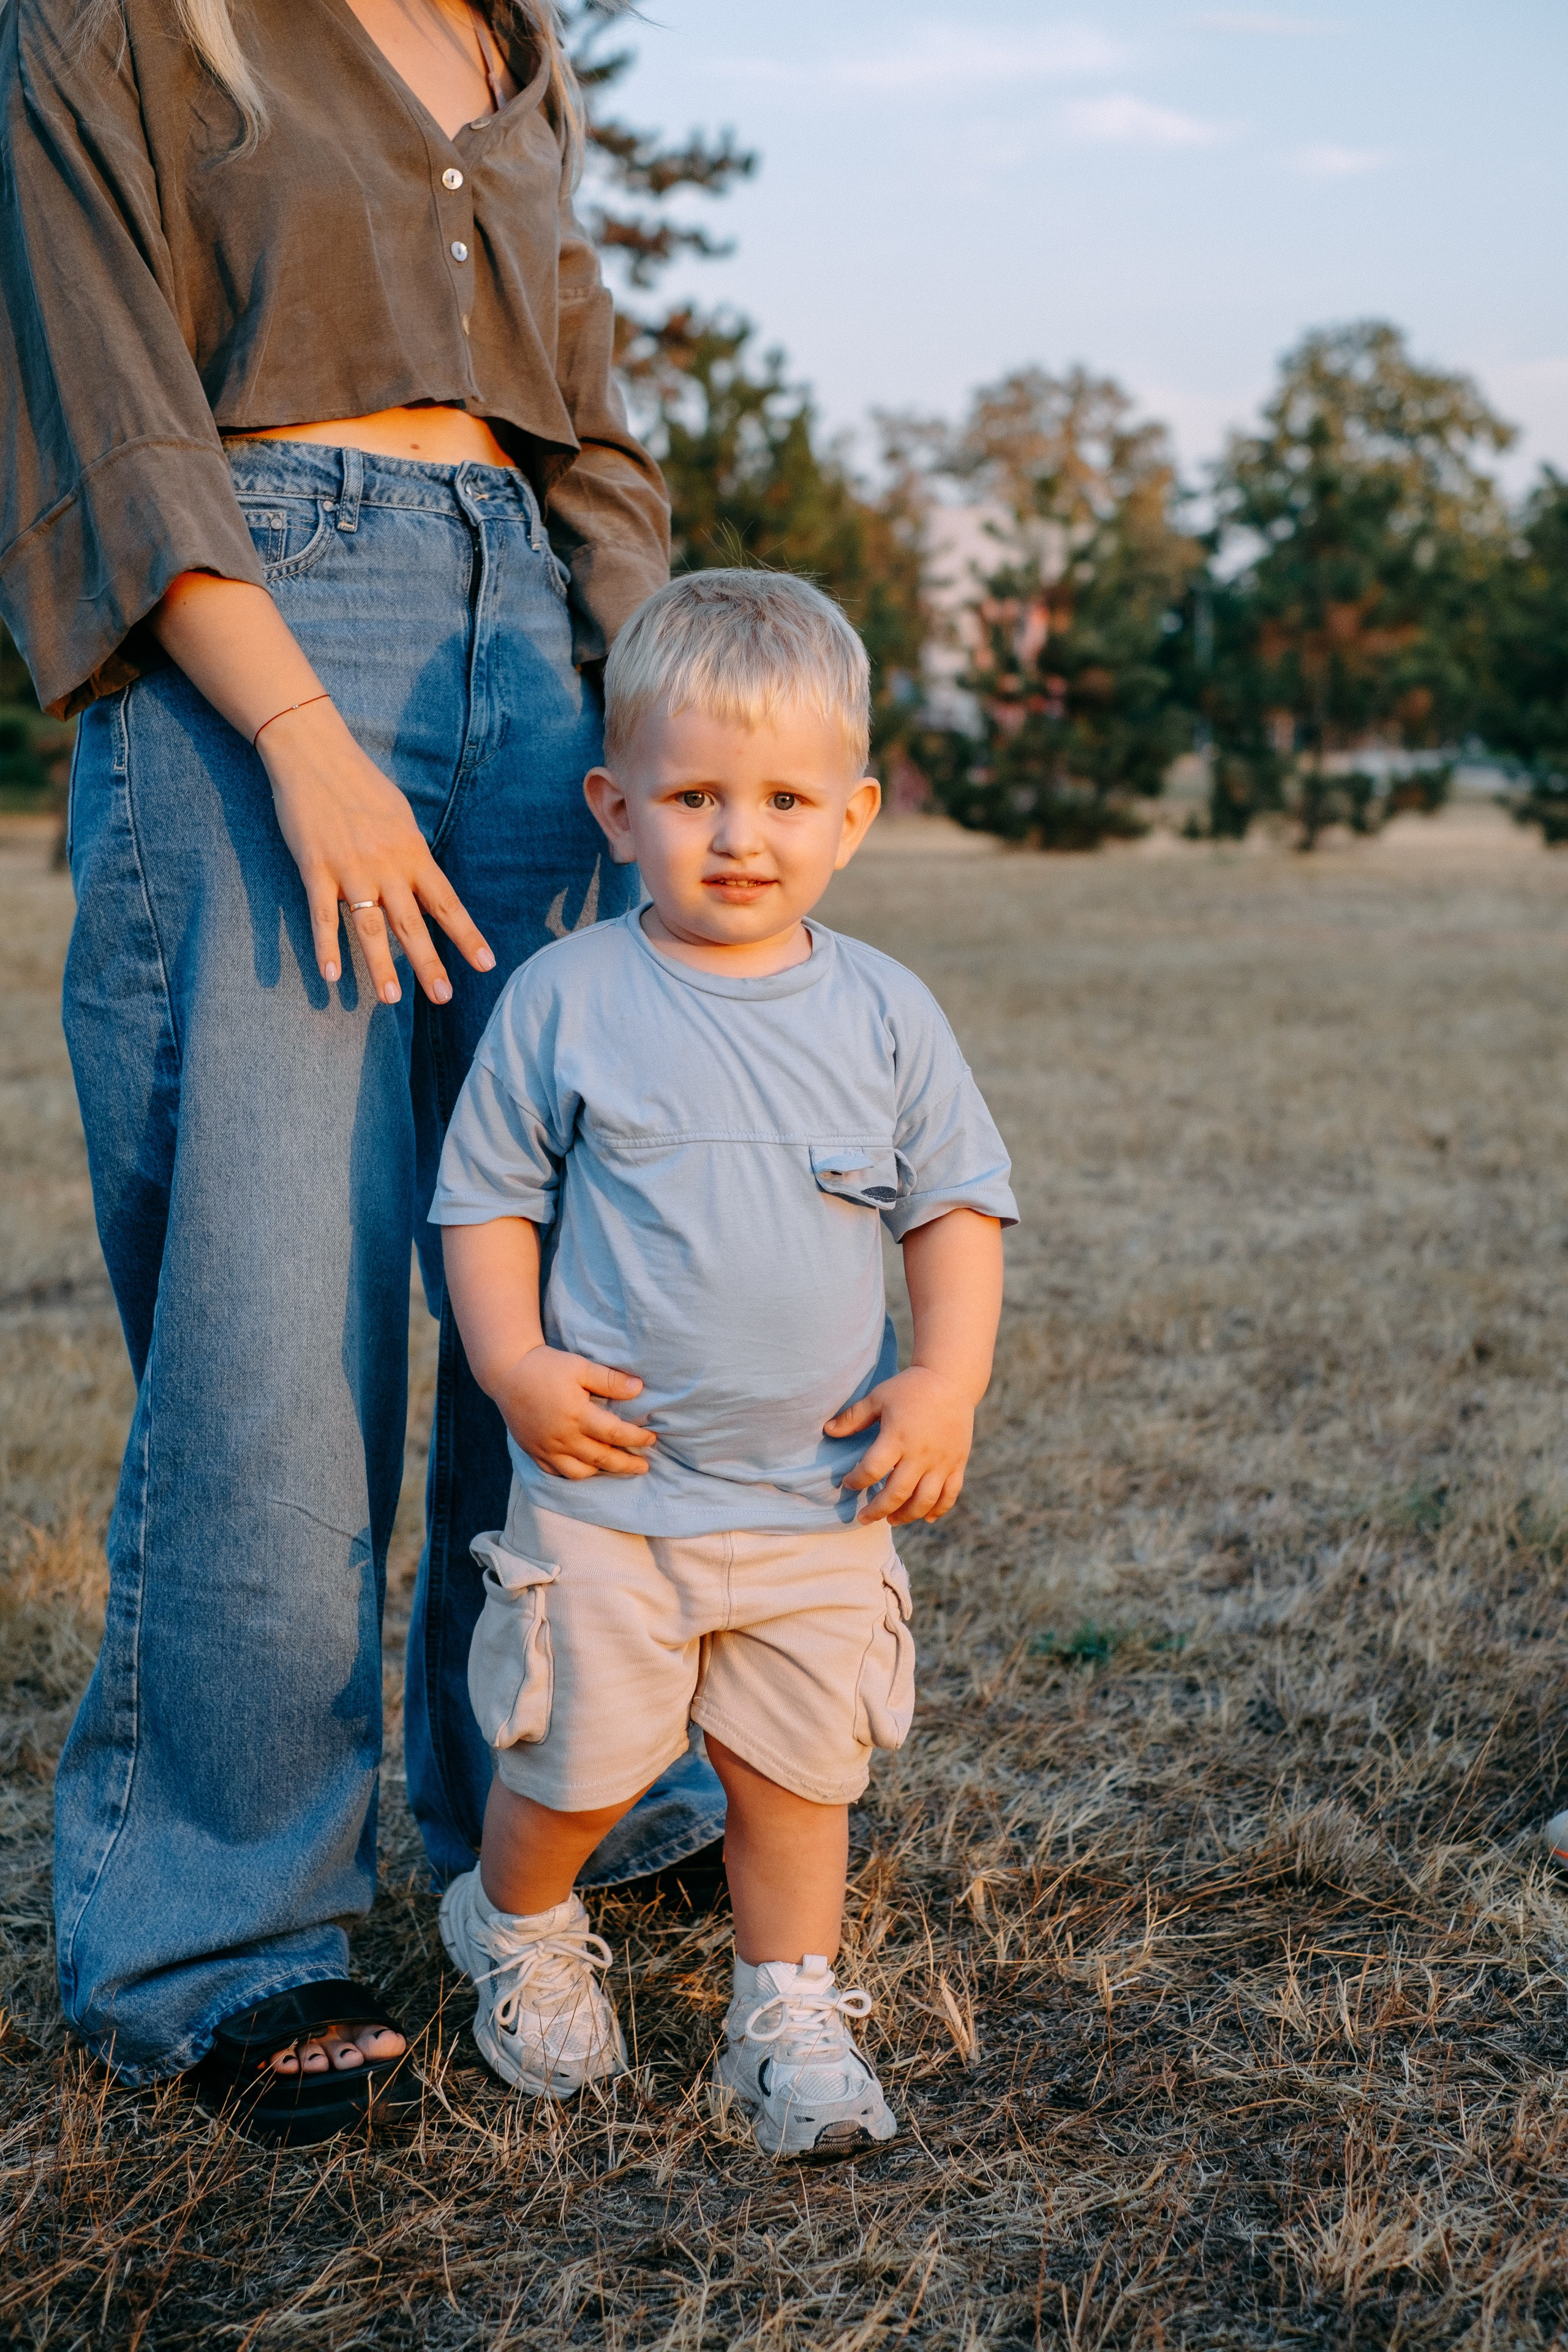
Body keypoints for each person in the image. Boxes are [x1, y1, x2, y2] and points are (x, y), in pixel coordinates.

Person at [0, 0, 722, 2142]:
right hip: (259, 644)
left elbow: (582, 413)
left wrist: (647, 703)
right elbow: (102, 398)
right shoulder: (119, 17)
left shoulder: (506, 37)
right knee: (274, 1312)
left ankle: (555, 1782)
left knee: (560, 1273)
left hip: (534, 649)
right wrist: (302, 735)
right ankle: (220, 1933)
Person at [430, 569, 1016, 2155]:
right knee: (577, 1765)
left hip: (820, 1496)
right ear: (617, 809)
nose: (739, 834)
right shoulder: (568, 1000)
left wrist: (944, 1379)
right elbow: (484, 1201)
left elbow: (957, 1205)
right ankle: (519, 1920)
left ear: (855, 814)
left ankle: (788, 2010)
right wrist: (513, 1365)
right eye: (695, 795)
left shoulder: (886, 1014)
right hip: (613, 1494)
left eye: (782, 798)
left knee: (797, 1775)